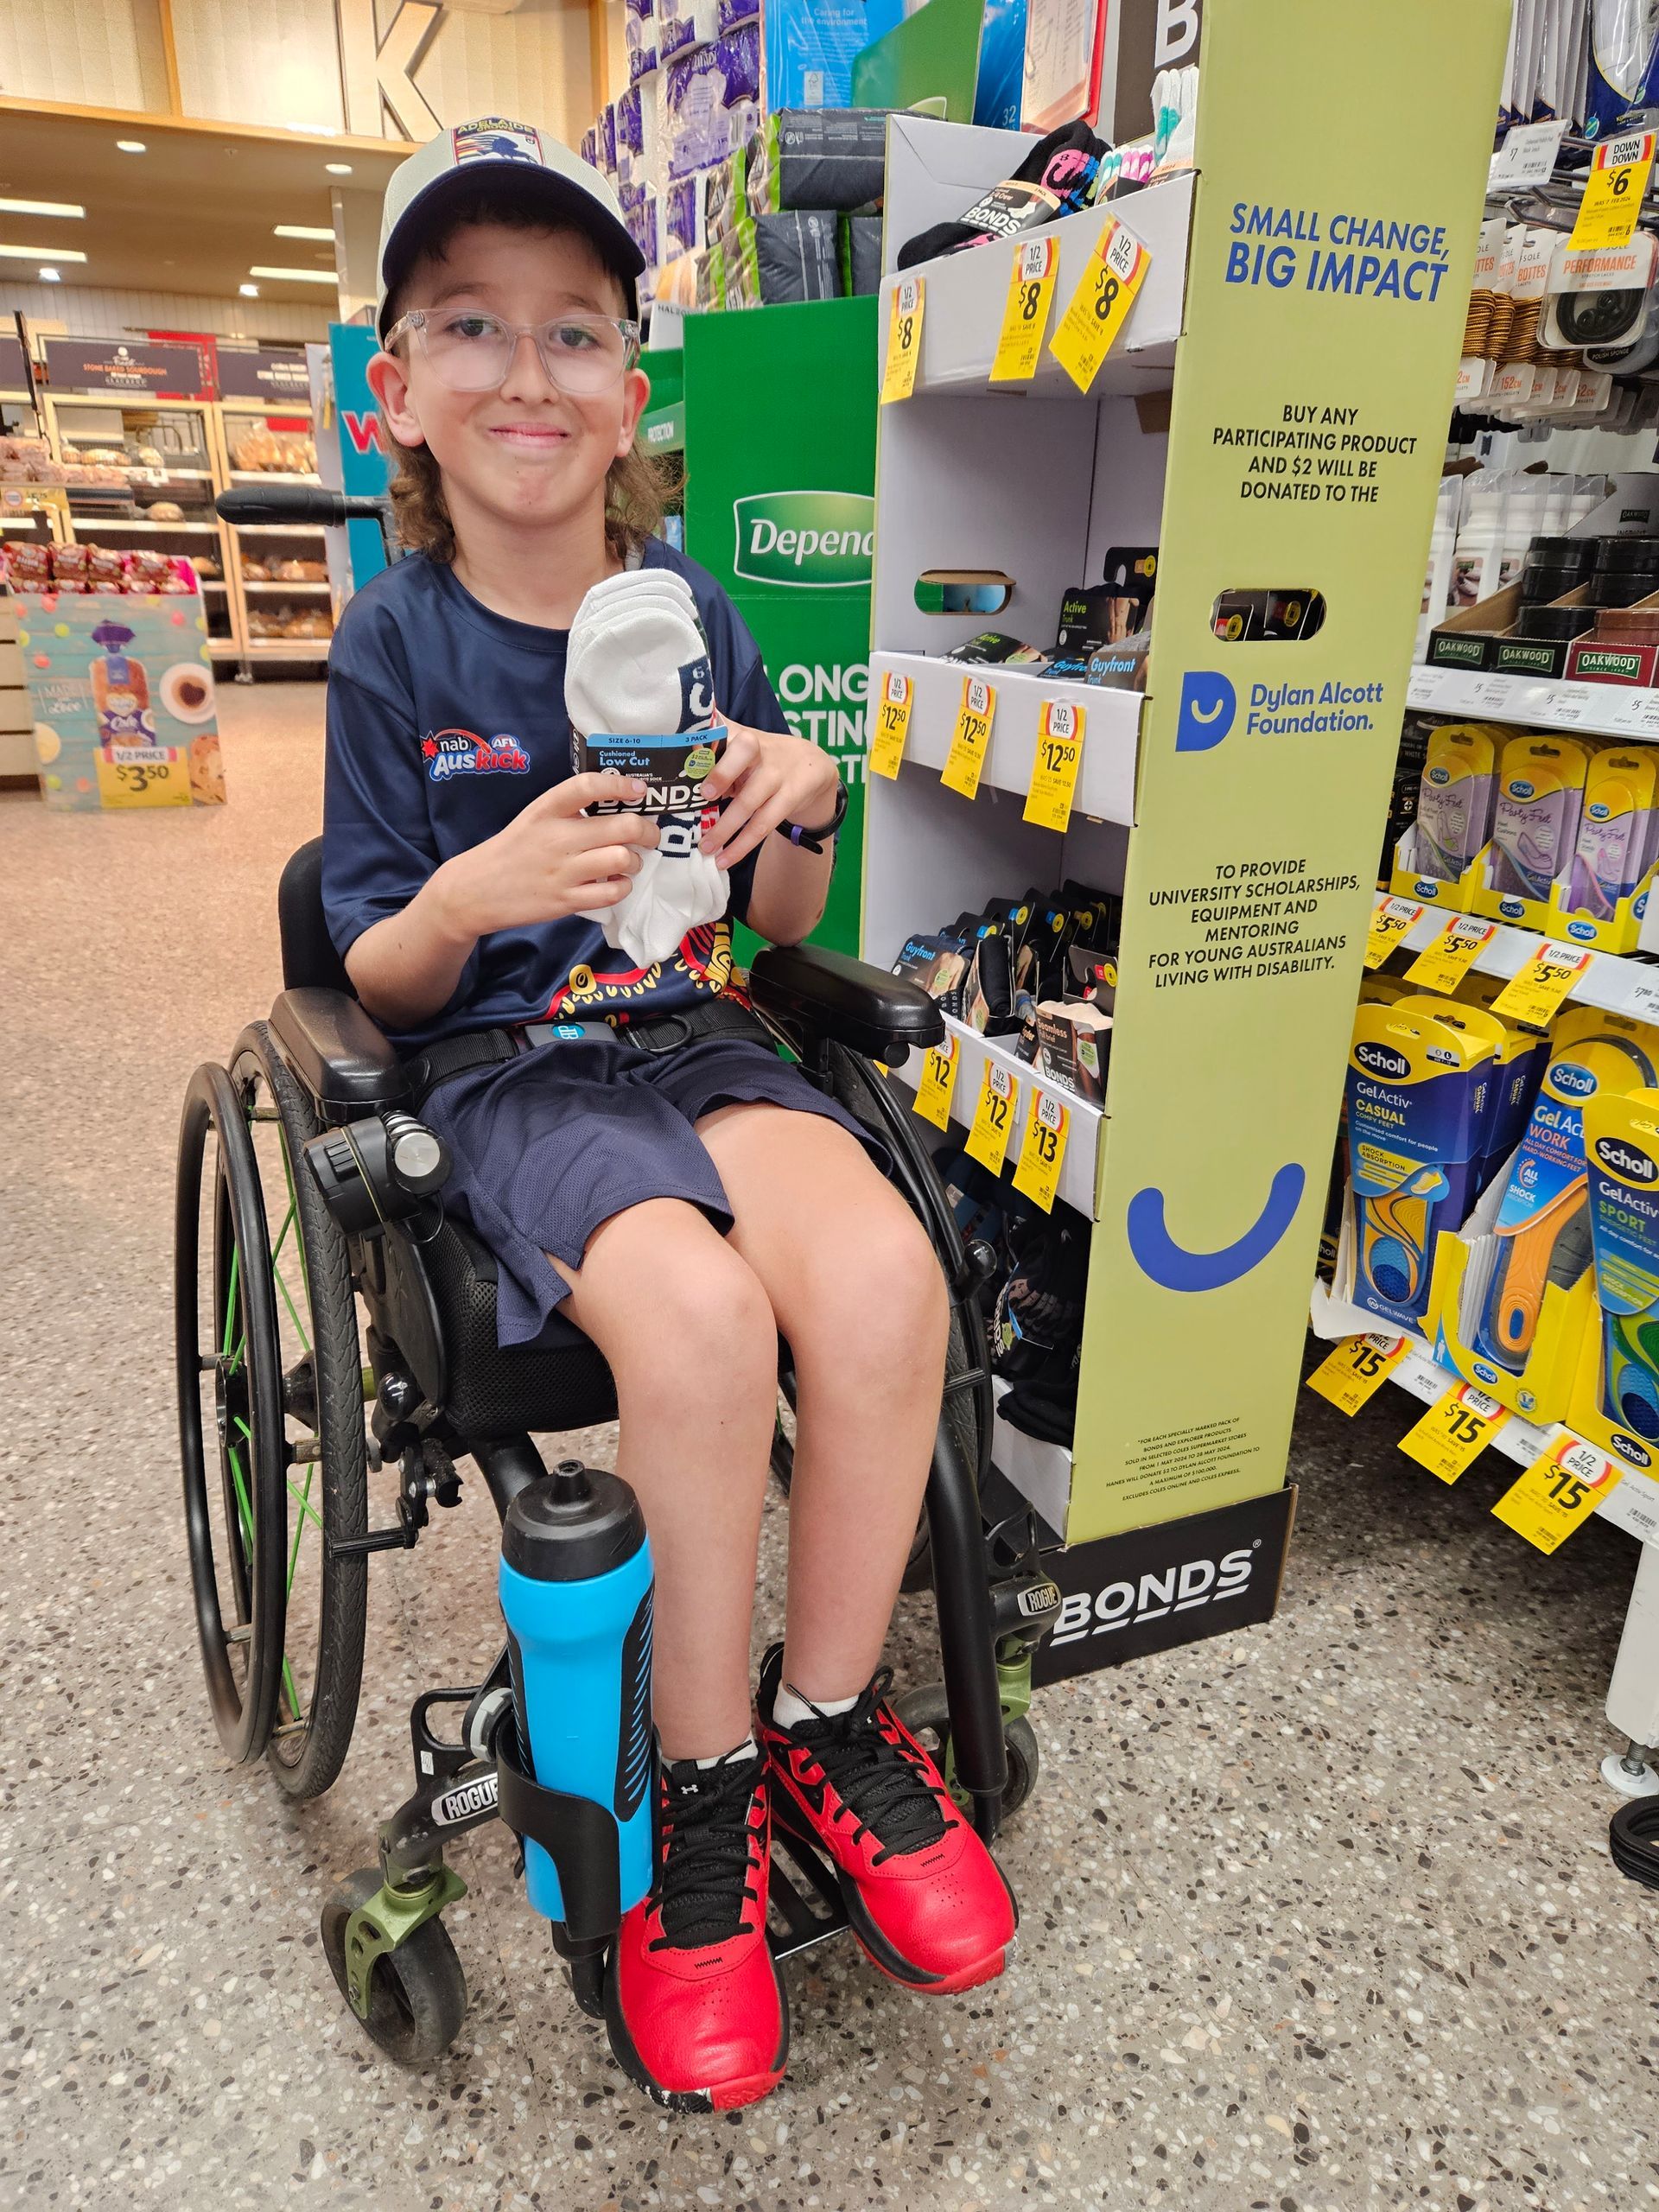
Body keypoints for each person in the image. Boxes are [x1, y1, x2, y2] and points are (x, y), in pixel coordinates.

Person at [321, 118, 1017, 2113]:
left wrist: (792, 813)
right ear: (403, 390)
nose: (526, 372)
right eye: (471, 327)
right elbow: (373, 971)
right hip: (512, 1069)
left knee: (886, 1277)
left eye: (573, 332)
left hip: (695, 1027)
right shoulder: (395, 642)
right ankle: (695, 1798)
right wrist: (472, 894)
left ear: (637, 386)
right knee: (702, 1328)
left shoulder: (695, 603)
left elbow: (778, 920)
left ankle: (829, 1713)